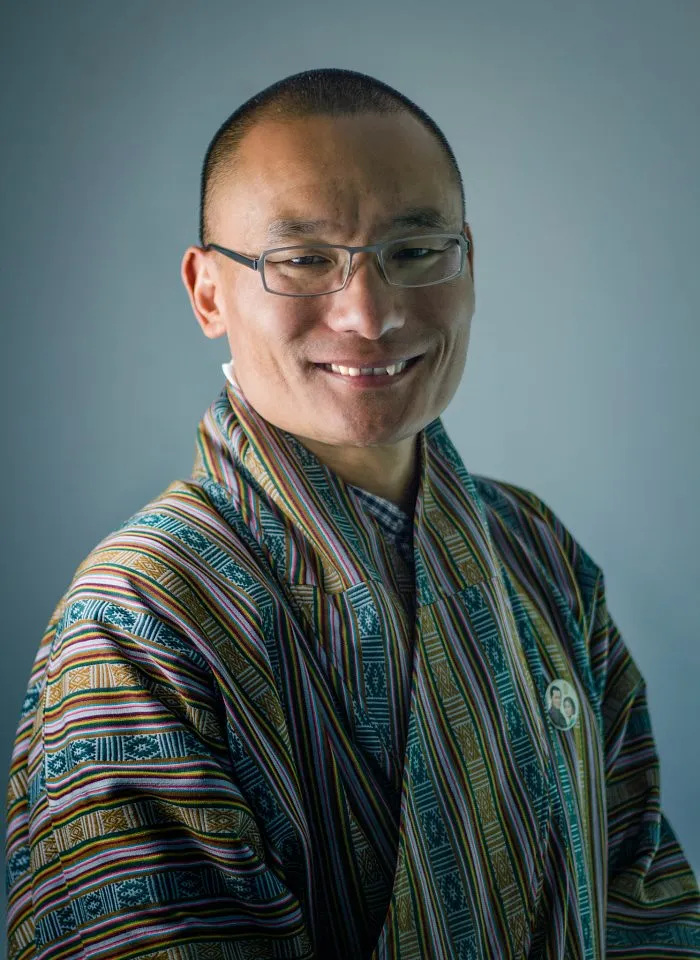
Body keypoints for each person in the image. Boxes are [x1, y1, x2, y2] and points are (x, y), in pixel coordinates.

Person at [5, 67, 700, 960]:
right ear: (208, 292)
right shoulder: (139, 613)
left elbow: (645, 899)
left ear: (469, 262)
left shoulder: (534, 549)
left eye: (414, 252)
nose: (370, 314)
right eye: (304, 261)